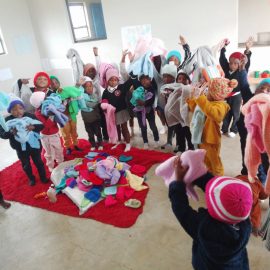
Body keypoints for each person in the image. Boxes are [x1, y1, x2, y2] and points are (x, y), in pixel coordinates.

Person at [169, 156, 253, 270]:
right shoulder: (244, 222)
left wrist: (177, 182)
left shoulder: (203, 227)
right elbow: (216, 191)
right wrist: (198, 174)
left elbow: (180, 209)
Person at [190, 78, 237, 175]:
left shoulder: (221, 106)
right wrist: (193, 96)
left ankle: (219, 178)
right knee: (205, 159)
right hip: (201, 136)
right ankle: (209, 174)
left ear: (215, 94)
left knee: (214, 161)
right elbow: (195, 107)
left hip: (211, 139)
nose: (206, 92)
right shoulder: (207, 101)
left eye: (208, 90)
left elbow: (212, 113)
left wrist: (200, 97)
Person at [0, 98, 49, 186]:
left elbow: (41, 125)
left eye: (20, 108)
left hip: (34, 146)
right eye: (14, 109)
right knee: (26, 165)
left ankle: (43, 177)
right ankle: (31, 178)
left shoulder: (29, 116)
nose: (18, 111)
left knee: (39, 162)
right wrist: (11, 132)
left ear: (24, 109)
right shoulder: (7, 121)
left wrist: (33, 127)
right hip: (20, 148)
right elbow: (2, 134)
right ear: (10, 111)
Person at [219, 37, 253, 138]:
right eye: (231, 62)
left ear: (240, 64)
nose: (232, 65)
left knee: (236, 114)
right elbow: (222, 59)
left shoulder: (242, 70)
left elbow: (246, 62)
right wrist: (223, 48)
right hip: (227, 95)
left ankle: (234, 129)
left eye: (235, 63)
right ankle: (224, 129)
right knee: (226, 113)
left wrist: (247, 50)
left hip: (237, 96)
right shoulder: (226, 68)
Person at [101, 65, 133, 152]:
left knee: (124, 128)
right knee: (116, 128)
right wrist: (104, 105)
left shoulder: (121, 87)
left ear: (118, 80)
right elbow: (104, 100)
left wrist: (132, 75)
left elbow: (129, 83)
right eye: (111, 80)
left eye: (115, 80)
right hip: (112, 114)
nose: (113, 82)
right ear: (107, 81)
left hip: (122, 112)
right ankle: (118, 141)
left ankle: (128, 143)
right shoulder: (106, 91)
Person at [30, 91, 64, 172]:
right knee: (49, 152)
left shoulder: (50, 107)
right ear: (41, 103)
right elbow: (46, 126)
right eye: (45, 98)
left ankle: (60, 162)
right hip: (45, 136)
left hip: (55, 134)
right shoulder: (38, 113)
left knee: (58, 149)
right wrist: (52, 114)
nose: (48, 99)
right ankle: (50, 165)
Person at [131, 75, 160, 149]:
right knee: (143, 127)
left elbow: (147, 102)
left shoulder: (152, 89)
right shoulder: (138, 89)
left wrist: (141, 101)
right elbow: (135, 100)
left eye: (146, 79)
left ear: (150, 80)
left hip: (149, 111)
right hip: (140, 111)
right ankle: (145, 142)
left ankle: (157, 140)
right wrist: (134, 95)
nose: (144, 81)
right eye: (142, 79)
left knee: (153, 126)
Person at [80, 76, 103, 151]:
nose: (89, 88)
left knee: (98, 132)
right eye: (87, 87)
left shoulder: (94, 95)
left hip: (95, 119)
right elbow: (82, 104)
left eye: (90, 86)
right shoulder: (81, 97)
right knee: (90, 133)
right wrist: (86, 103)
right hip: (87, 120)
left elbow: (93, 104)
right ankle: (93, 144)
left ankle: (100, 143)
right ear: (83, 88)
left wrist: (86, 103)